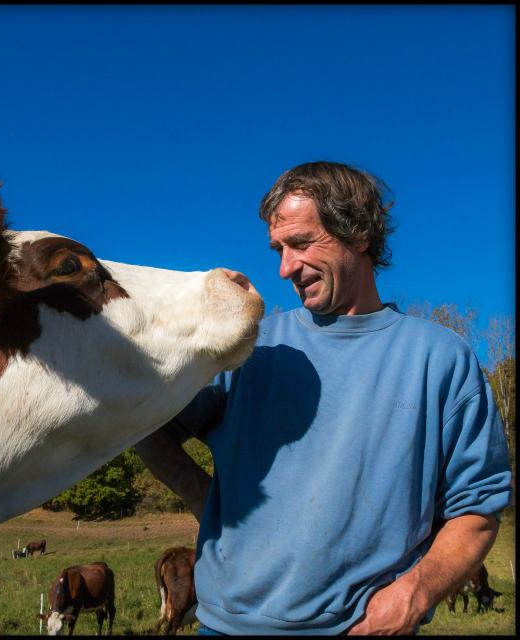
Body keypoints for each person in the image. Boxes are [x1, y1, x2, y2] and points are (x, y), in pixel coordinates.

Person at [135, 161, 511, 635]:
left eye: (301, 243)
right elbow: (148, 428)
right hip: (225, 626)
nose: (285, 267)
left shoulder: (440, 358)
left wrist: (414, 595)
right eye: (278, 249)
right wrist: (202, 494)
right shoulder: (253, 349)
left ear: (358, 234)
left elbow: (477, 507)